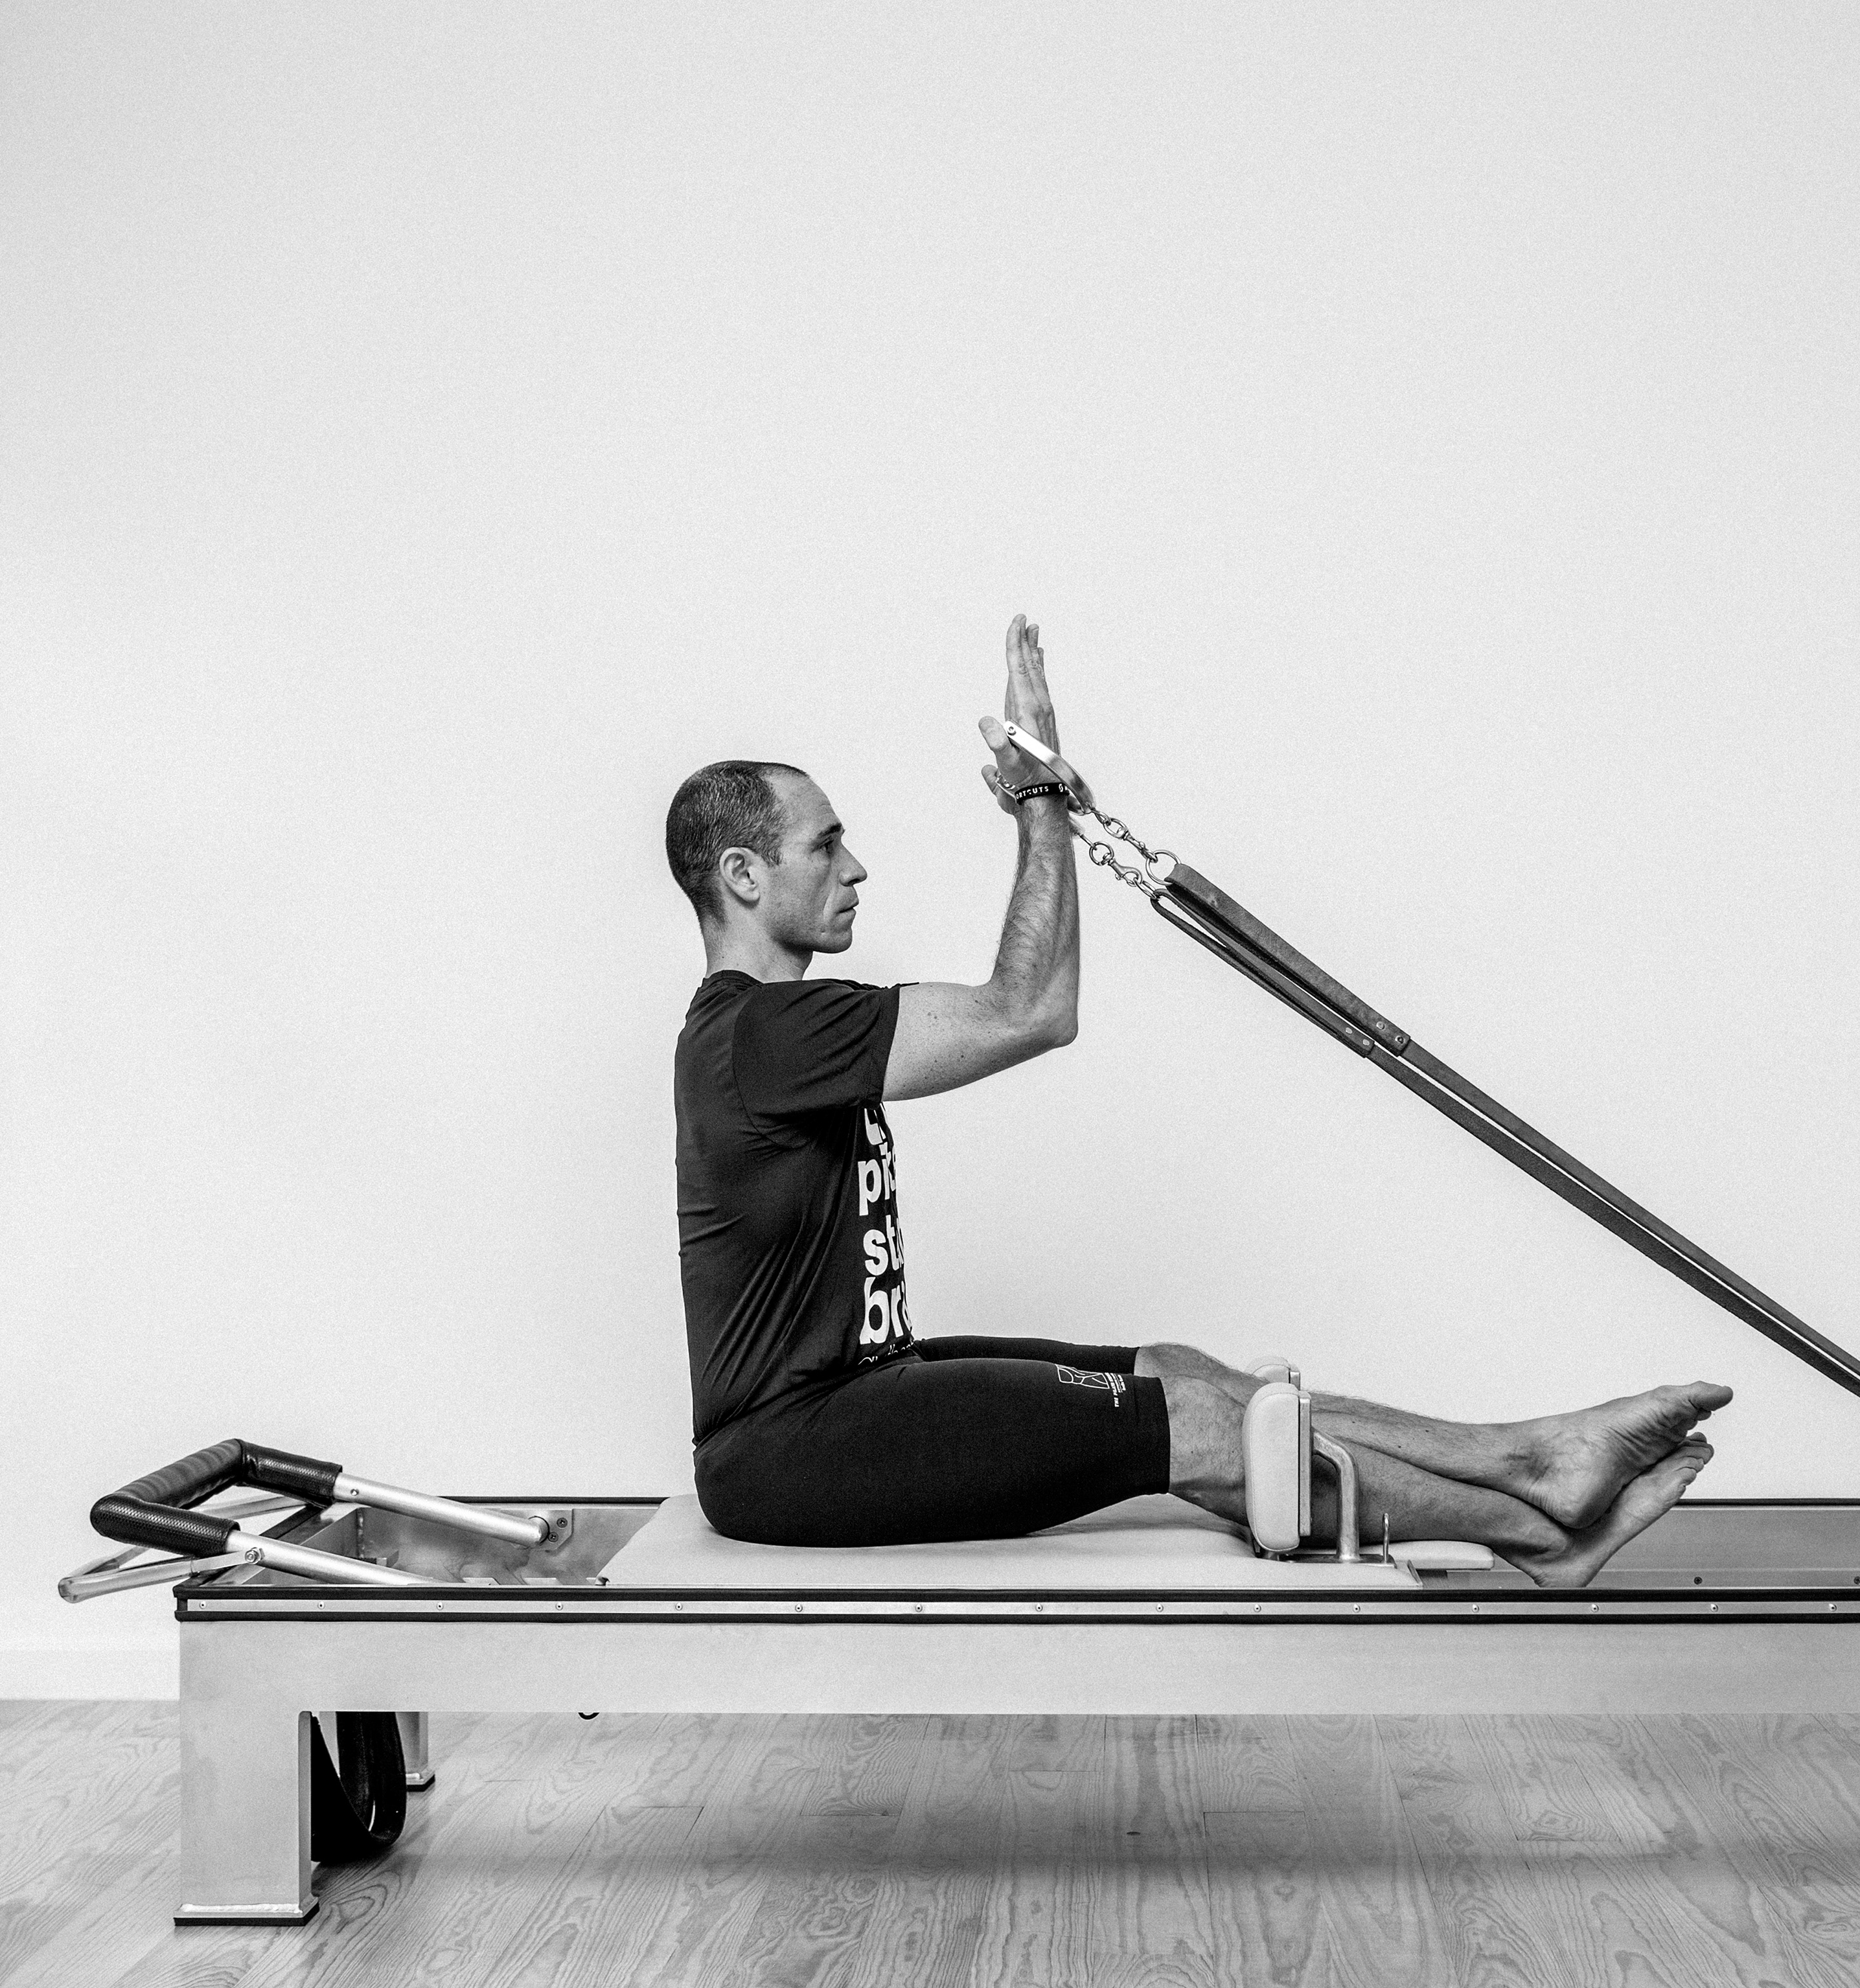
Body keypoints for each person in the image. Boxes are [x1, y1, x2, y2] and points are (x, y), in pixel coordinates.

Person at [668, 615, 1731, 1586]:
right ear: (745, 875)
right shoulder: (763, 1030)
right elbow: (1031, 1009)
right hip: (794, 1448)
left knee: (1181, 1373)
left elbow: (1032, 1008)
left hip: (854, 1394)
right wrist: (1040, 802)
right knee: (1206, 1431)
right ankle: (1544, 1534)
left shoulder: (770, 1034)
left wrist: (1049, 805)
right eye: (824, 844)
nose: (856, 866)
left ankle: (1531, 1459)